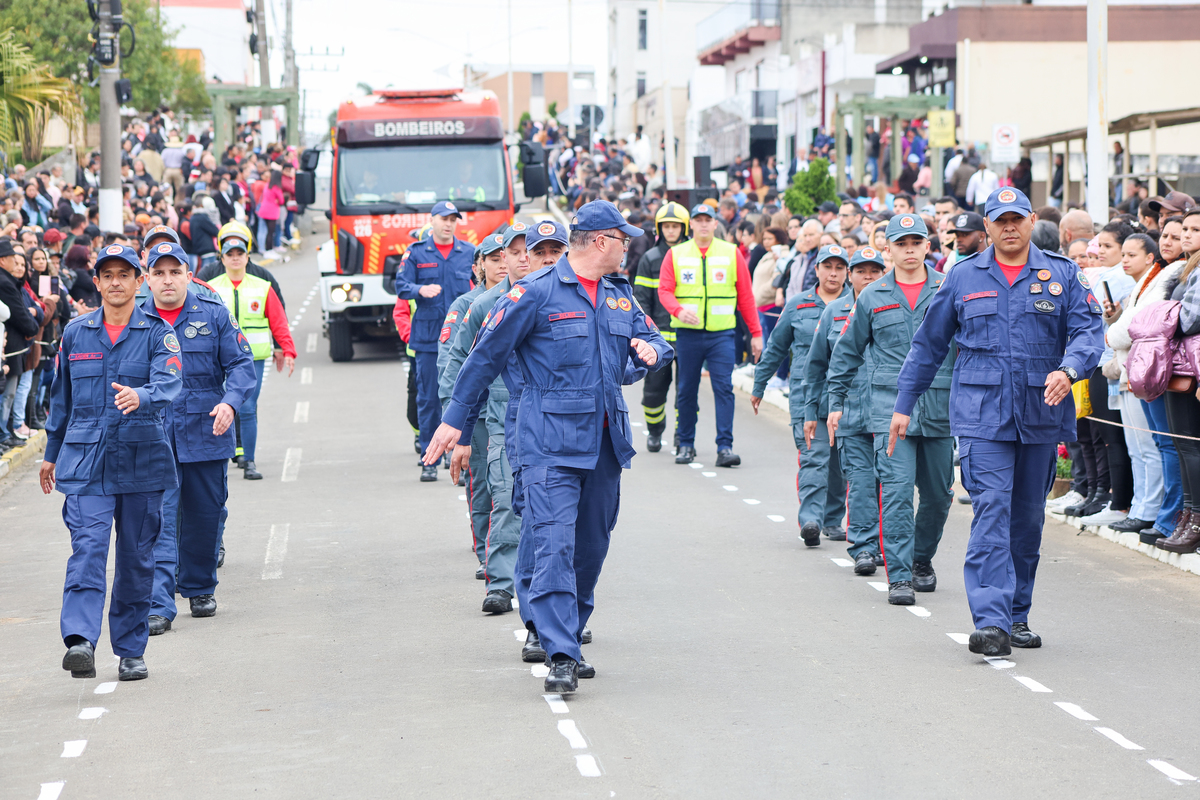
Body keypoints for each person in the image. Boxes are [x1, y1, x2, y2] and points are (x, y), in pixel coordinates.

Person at [426, 200, 673, 694]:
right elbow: (483, 358)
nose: (629, 246)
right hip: (546, 443)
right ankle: (560, 652)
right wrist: (455, 420)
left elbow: (654, 340)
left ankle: (569, 630)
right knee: (554, 544)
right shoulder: (534, 294)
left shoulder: (619, 295)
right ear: (600, 241)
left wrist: (652, 351)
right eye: (623, 238)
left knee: (591, 548)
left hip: (604, 443)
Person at [892, 187, 1104, 656]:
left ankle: (1016, 614)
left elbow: (1089, 331)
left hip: (1040, 414)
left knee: (1026, 520)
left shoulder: (1062, 274)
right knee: (991, 511)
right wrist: (904, 403)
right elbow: (928, 345)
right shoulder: (963, 276)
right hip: (981, 416)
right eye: (999, 220)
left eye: (1016, 219)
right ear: (986, 226)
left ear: (1031, 220)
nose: (1009, 227)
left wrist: (1069, 370)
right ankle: (991, 622)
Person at [39, 244, 183, 681]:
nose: (116, 282)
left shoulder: (158, 332)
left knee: (137, 558)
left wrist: (143, 395)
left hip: (142, 460)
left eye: (124, 274)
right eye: (108, 275)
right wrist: (50, 454)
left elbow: (170, 381)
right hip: (86, 464)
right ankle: (80, 640)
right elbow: (61, 399)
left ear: (139, 282)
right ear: (97, 282)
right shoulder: (76, 333)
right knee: (88, 547)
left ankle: (131, 649)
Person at [826, 214, 955, 608]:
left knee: (938, 495)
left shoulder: (948, 288)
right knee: (897, 493)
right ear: (889, 250)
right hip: (887, 407)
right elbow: (847, 352)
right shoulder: (872, 296)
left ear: (928, 246)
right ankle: (899, 575)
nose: (910, 250)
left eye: (916, 242)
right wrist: (835, 402)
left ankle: (920, 558)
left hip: (938, 406)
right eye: (901, 244)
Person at [140, 242, 256, 634]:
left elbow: (240, 364)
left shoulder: (214, 314)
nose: (167, 280)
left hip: (206, 430)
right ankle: (158, 604)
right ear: (147, 279)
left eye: (175, 272)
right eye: (159, 273)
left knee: (205, 517)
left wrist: (230, 403)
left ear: (189, 276)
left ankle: (200, 586)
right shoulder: (135, 320)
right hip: (152, 436)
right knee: (156, 521)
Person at [750, 244, 850, 544]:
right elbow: (776, 348)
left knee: (839, 461)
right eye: (827, 267)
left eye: (839, 268)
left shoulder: (857, 304)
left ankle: (832, 519)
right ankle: (811, 520)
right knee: (814, 456)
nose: (833, 274)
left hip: (846, 396)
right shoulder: (797, 305)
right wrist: (759, 384)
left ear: (847, 272)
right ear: (816, 269)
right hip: (807, 395)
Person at [657, 203, 762, 466]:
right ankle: (686, 444)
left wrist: (756, 333)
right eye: (699, 220)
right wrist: (678, 311)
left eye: (708, 220)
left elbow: (746, 296)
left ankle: (725, 447)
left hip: (722, 334)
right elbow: (665, 290)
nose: (703, 224)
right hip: (688, 335)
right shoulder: (676, 254)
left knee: (723, 389)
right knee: (686, 389)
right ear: (691, 224)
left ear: (716, 224)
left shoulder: (731, 253)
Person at [803, 247, 887, 573]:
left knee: (891, 485)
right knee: (862, 483)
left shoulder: (895, 306)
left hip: (889, 413)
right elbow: (816, 366)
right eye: (861, 271)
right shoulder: (834, 312)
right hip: (851, 414)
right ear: (850, 276)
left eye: (874, 271)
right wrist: (811, 411)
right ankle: (865, 548)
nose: (868, 277)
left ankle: (889, 547)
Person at [205, 223, 296, 480]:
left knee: (247, 407)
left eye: (240, 253)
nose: (235, 258)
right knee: (220, 407)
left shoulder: (263, 285)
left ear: (247, 256)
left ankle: (250, 460)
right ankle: (222, 457)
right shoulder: (210, 287)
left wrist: (286, 349)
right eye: (230, 254)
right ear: (222, 257)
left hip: (252, 358)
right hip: (218, 359)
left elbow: (278, 320)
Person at [438, 233, 505, 571]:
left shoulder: (527, 296)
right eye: (494, 259)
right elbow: (450, 361)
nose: (503, 264)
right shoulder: (467, 306)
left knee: (510, 485)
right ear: (480, 265)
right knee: (483, 485)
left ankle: (510, 552)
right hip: (478, 414)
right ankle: (486, 556)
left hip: (511, 409)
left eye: (508, 256)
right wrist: (453, 416)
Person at [395, 201, 475, 482]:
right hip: (428, 339)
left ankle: (458, 459)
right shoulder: (416, 253)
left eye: (453, 219)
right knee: (429, 399)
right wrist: (420, 289)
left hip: (461, 339)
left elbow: (484, 285)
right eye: (444, 219)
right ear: (432, 221)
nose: (449, 224)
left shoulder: (469, 252)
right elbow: (400, 286)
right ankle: (430, 459)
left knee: (461, 398)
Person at [630, 201, 688, 452]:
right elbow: (642, 300)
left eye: (675, 226)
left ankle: (682, 435)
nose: (671, 231)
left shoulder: (692, 258)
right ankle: (655, 431)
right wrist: (647, 334)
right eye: (666, 226)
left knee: (686, 393)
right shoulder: (650, 258)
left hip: (688, 338)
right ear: (659, 228)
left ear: (684, 228)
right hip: (659, 341)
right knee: (653, 393)